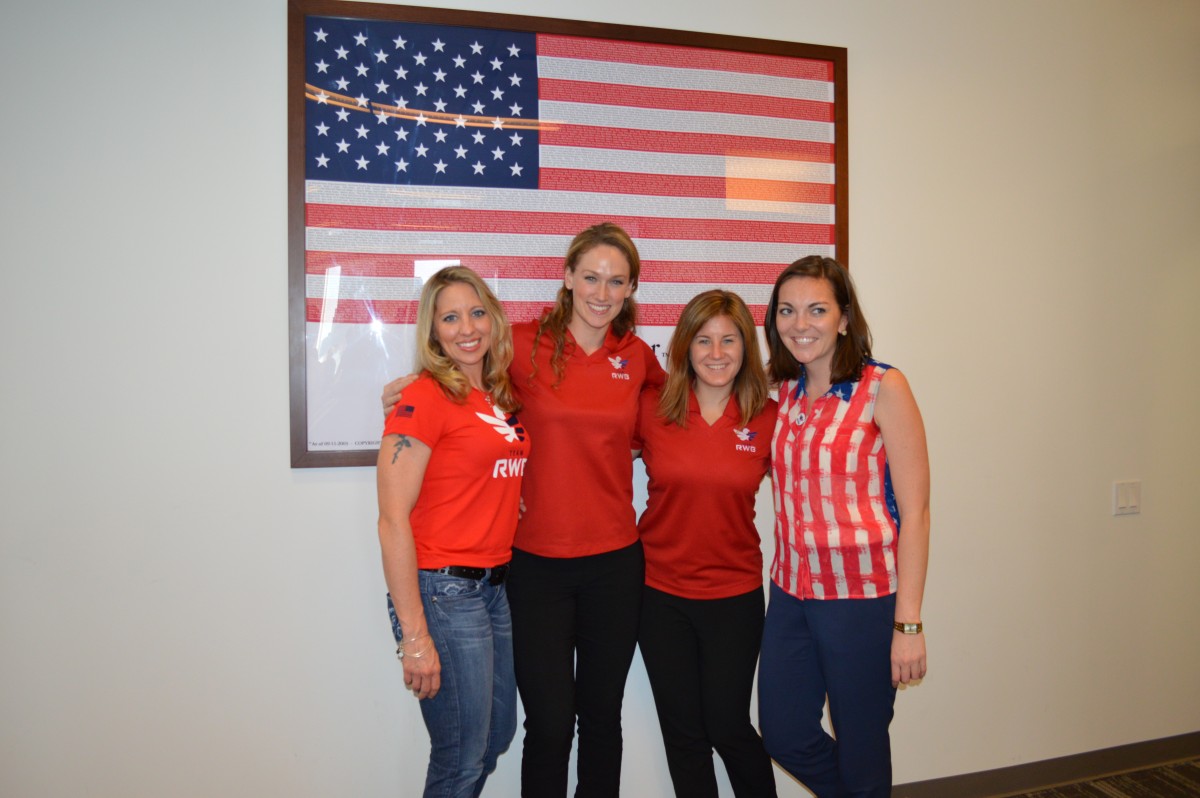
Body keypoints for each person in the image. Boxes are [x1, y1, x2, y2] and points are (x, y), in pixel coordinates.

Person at [384, 222, 665, 797]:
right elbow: (461, 378)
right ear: (567, 278)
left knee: (602, 722)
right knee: (549, 724)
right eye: (590, 276)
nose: (601, 292)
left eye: (616, 281)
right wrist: (409, 385)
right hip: (533, 566)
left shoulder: (638, 358)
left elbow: (683, 414)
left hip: (615, 564)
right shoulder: (523, 346)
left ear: (632, 288)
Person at [756, 256, 930, 798]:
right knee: (783, 734)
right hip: (790, 593)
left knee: (862, 745)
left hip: (862, 598)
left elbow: (917, 511)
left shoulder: (883, 387)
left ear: (845, 318)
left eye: (816, 309)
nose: (799, 323)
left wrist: (908, 625)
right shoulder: (779, 394)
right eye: (787, 310)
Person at [376, 266, 529, 798]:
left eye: (477, 312)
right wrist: (414, 637)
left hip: (492, 588)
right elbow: (392, 518)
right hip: (443, 590)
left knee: (496, 735)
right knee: (461, 755)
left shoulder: (496, 397)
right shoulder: (423, 397)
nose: (467, 328)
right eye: (450, 317)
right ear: (433, 331)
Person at [633, 290, 778, 798]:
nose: (716, 353)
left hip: (733, 597)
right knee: (684, 736)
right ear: (684, 348)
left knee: (727, 726)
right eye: (703, 340)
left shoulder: (769, 418)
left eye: (729, 340)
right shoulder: (651, 409)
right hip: (659, 595)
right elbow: (578, 439)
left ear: (747, 348)